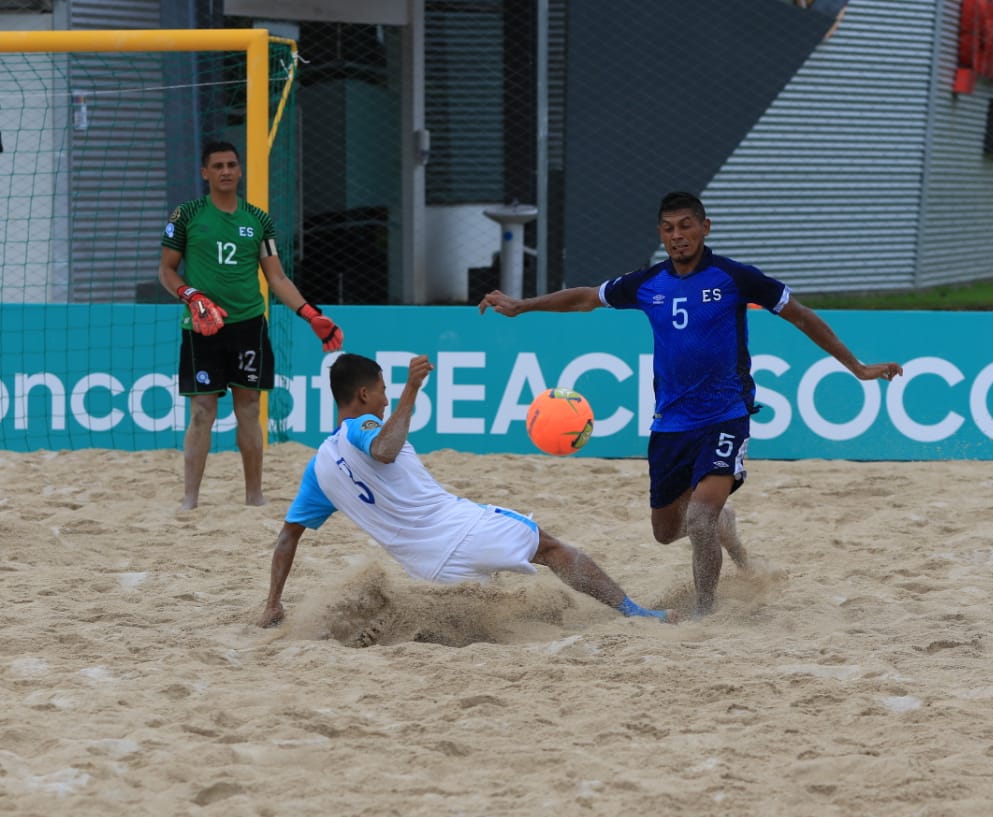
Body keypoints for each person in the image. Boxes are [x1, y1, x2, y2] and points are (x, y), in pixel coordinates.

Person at [479, 190, 902, 616]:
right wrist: (521, 307)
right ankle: (727, 526)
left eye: (685, 225)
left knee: (699, 519)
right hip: (670, 424)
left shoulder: (735, 277)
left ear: (705, 227)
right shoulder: (649, 283)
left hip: (725, 416)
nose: (677, 236)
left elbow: (802, 315)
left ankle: (705, 613)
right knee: (666, 532)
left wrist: (858, 367)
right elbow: (587, 298)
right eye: (668, 228)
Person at [256, 352, 667, 629]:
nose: (386, 400)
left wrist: (274, 601)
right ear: (364, 394)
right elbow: (383, 449)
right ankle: (637, 613)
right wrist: (412, 390)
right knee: (550, 548)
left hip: (429, 571)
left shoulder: (319, 469)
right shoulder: (361, 426)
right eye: (382, 390)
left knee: (485, 622)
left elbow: (287, 536)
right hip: (464, 532)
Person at [159, 140, 344, 511]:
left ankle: (254, 497)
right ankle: (190, 499)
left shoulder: (258, 220)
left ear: (240, 171)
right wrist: (192, 295)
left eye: (231, 165)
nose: (226, 171)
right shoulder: (187, 215)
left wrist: (310, 313)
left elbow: (276, 278)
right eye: (218, 166)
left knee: (248, 410)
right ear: (205, 173)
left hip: (248, 326)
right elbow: (166, 270)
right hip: (202, 327)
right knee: (201, 413)